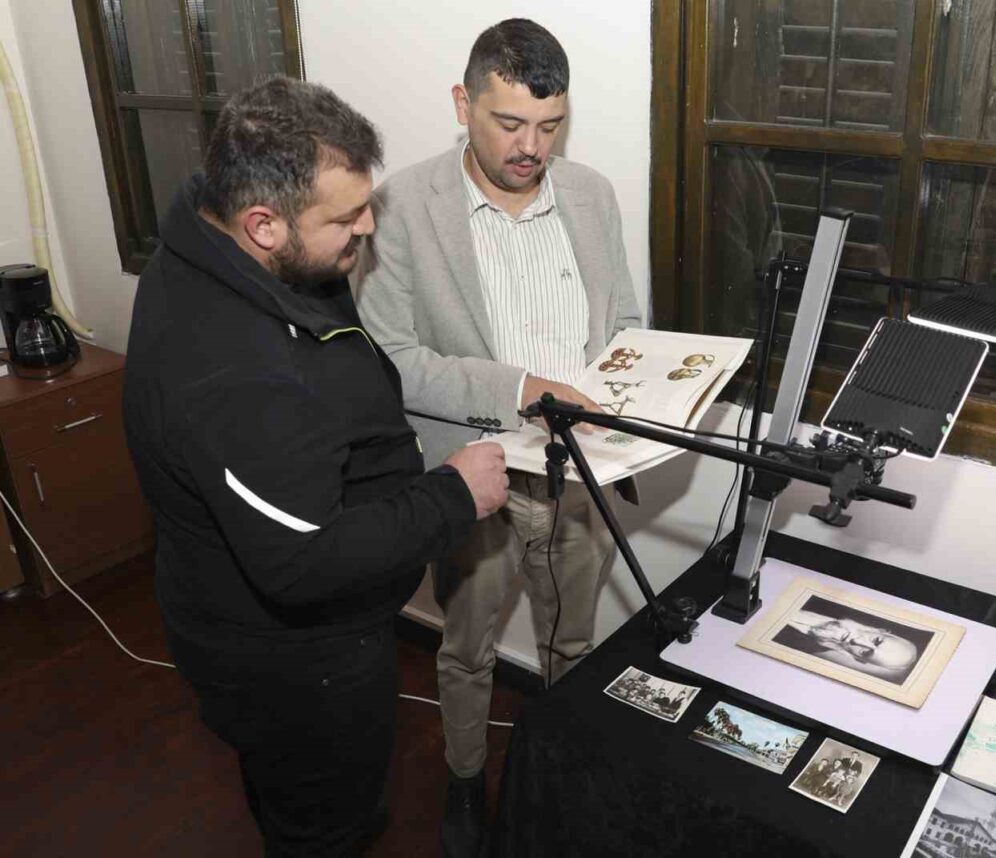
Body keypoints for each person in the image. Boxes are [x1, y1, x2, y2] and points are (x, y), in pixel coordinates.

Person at [123, 77, 509, 857]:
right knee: (321, 826)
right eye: (344, 217)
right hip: (294, 669)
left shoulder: (229, 239)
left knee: (313, 806)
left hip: (310, 638)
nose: (368, 225)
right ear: (263, 223)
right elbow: (302, 562)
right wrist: (453, 496)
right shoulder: (233, 372)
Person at [354, 18, 641, 856]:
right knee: (467, 647)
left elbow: (623, 322)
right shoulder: (403, 207)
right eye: (509, 123)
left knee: (574, 640)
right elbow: (391, 360)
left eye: (550, 126)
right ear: (463, 104)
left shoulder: (590, 195)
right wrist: (519, 389)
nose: (531, 148)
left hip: (578, 470)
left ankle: (561, 775)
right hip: (475, 471)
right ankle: (466, 779)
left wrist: (640, 381)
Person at [776, 609, 921, 682]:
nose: (857, 641)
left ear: (858, 659)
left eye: (866, 653)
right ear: (879, 631)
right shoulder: (831, 598)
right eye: (876, 640)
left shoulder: (796, 650)